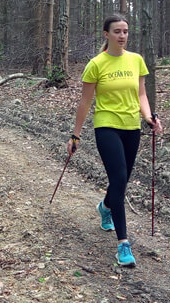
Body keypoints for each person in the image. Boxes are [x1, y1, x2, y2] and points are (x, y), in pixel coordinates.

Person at [68, 13, 163, 268]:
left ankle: (105, 206)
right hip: (106, 126)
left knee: (121, 182)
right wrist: (75, 134)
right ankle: (123, 244)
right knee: (119, 179)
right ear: (106, 34)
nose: (123, 36)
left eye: (126, 31)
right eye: (117, 31)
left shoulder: (136, 61)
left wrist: (148, 117)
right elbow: (85, 102)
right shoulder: (96, 64)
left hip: (131, 127)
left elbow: (141, 93)